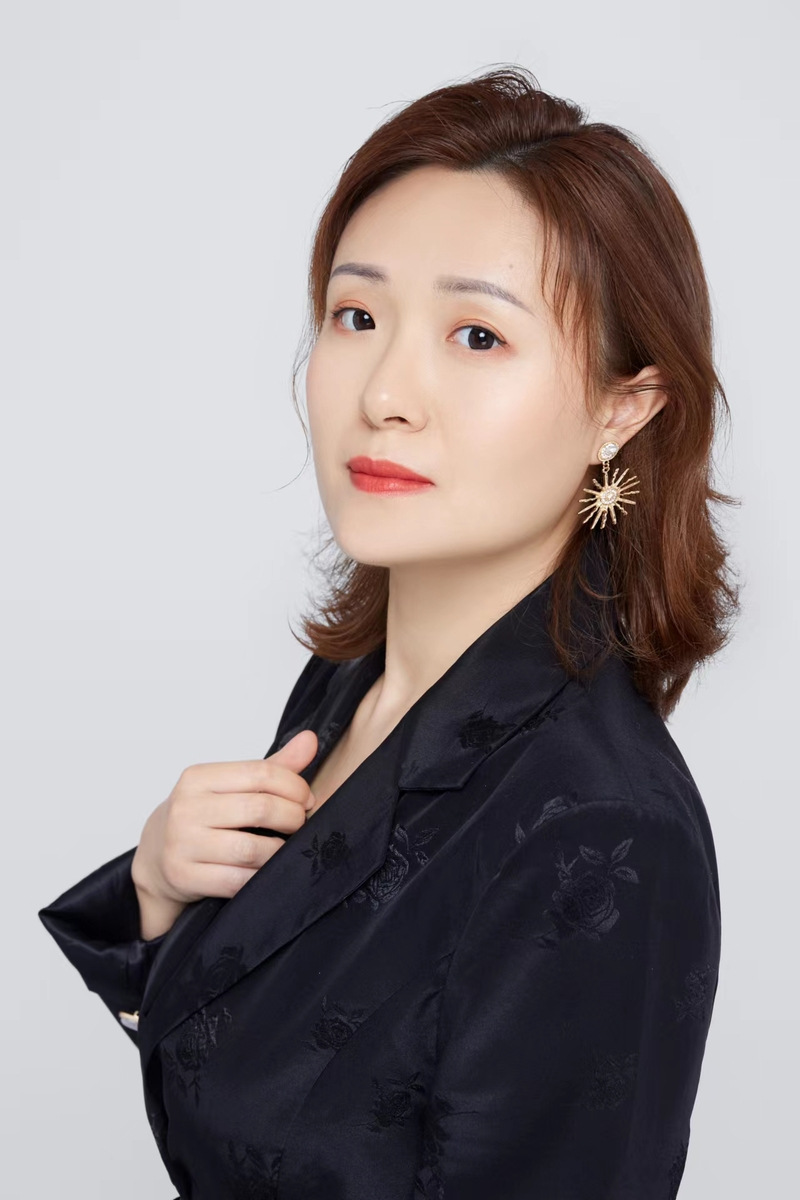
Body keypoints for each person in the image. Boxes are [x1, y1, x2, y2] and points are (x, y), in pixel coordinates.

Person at [38, 65, 739, 1199]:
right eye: (357, 317)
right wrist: (159, 899)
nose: (385, 394)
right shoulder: (350, 682)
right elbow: (284, 1102)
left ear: (623, 407)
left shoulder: (600, 828)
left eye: (477, 335)